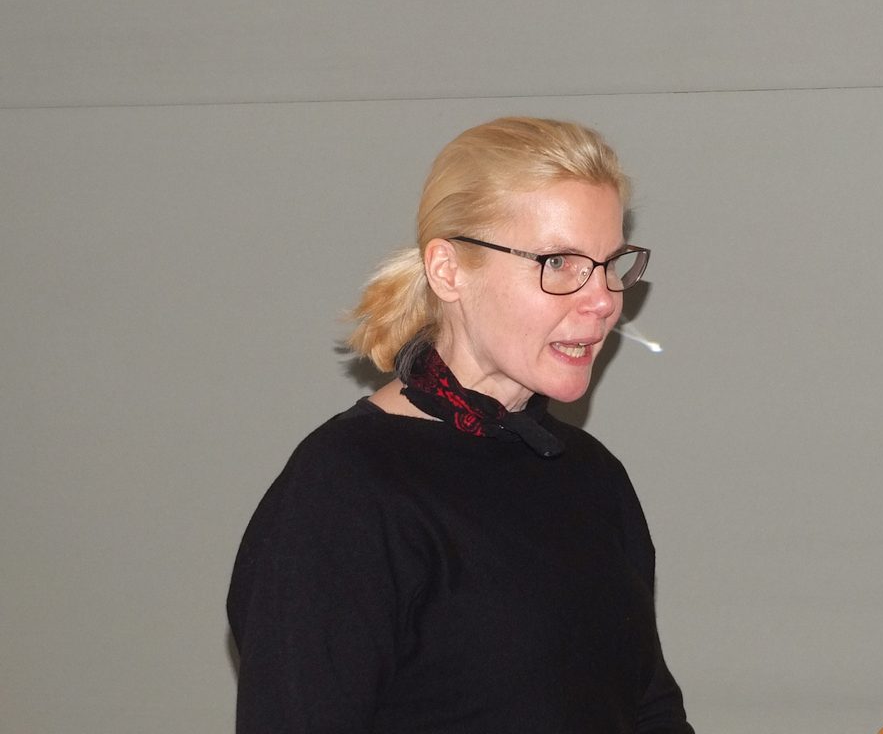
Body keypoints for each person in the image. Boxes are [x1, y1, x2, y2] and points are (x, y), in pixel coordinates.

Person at [227, 116, 695, 733]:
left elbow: (648, 708)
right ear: (448, 271)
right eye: (558, 262)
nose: (604, 299)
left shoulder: (591, 475)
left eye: (610, 264)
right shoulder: (346, 491)